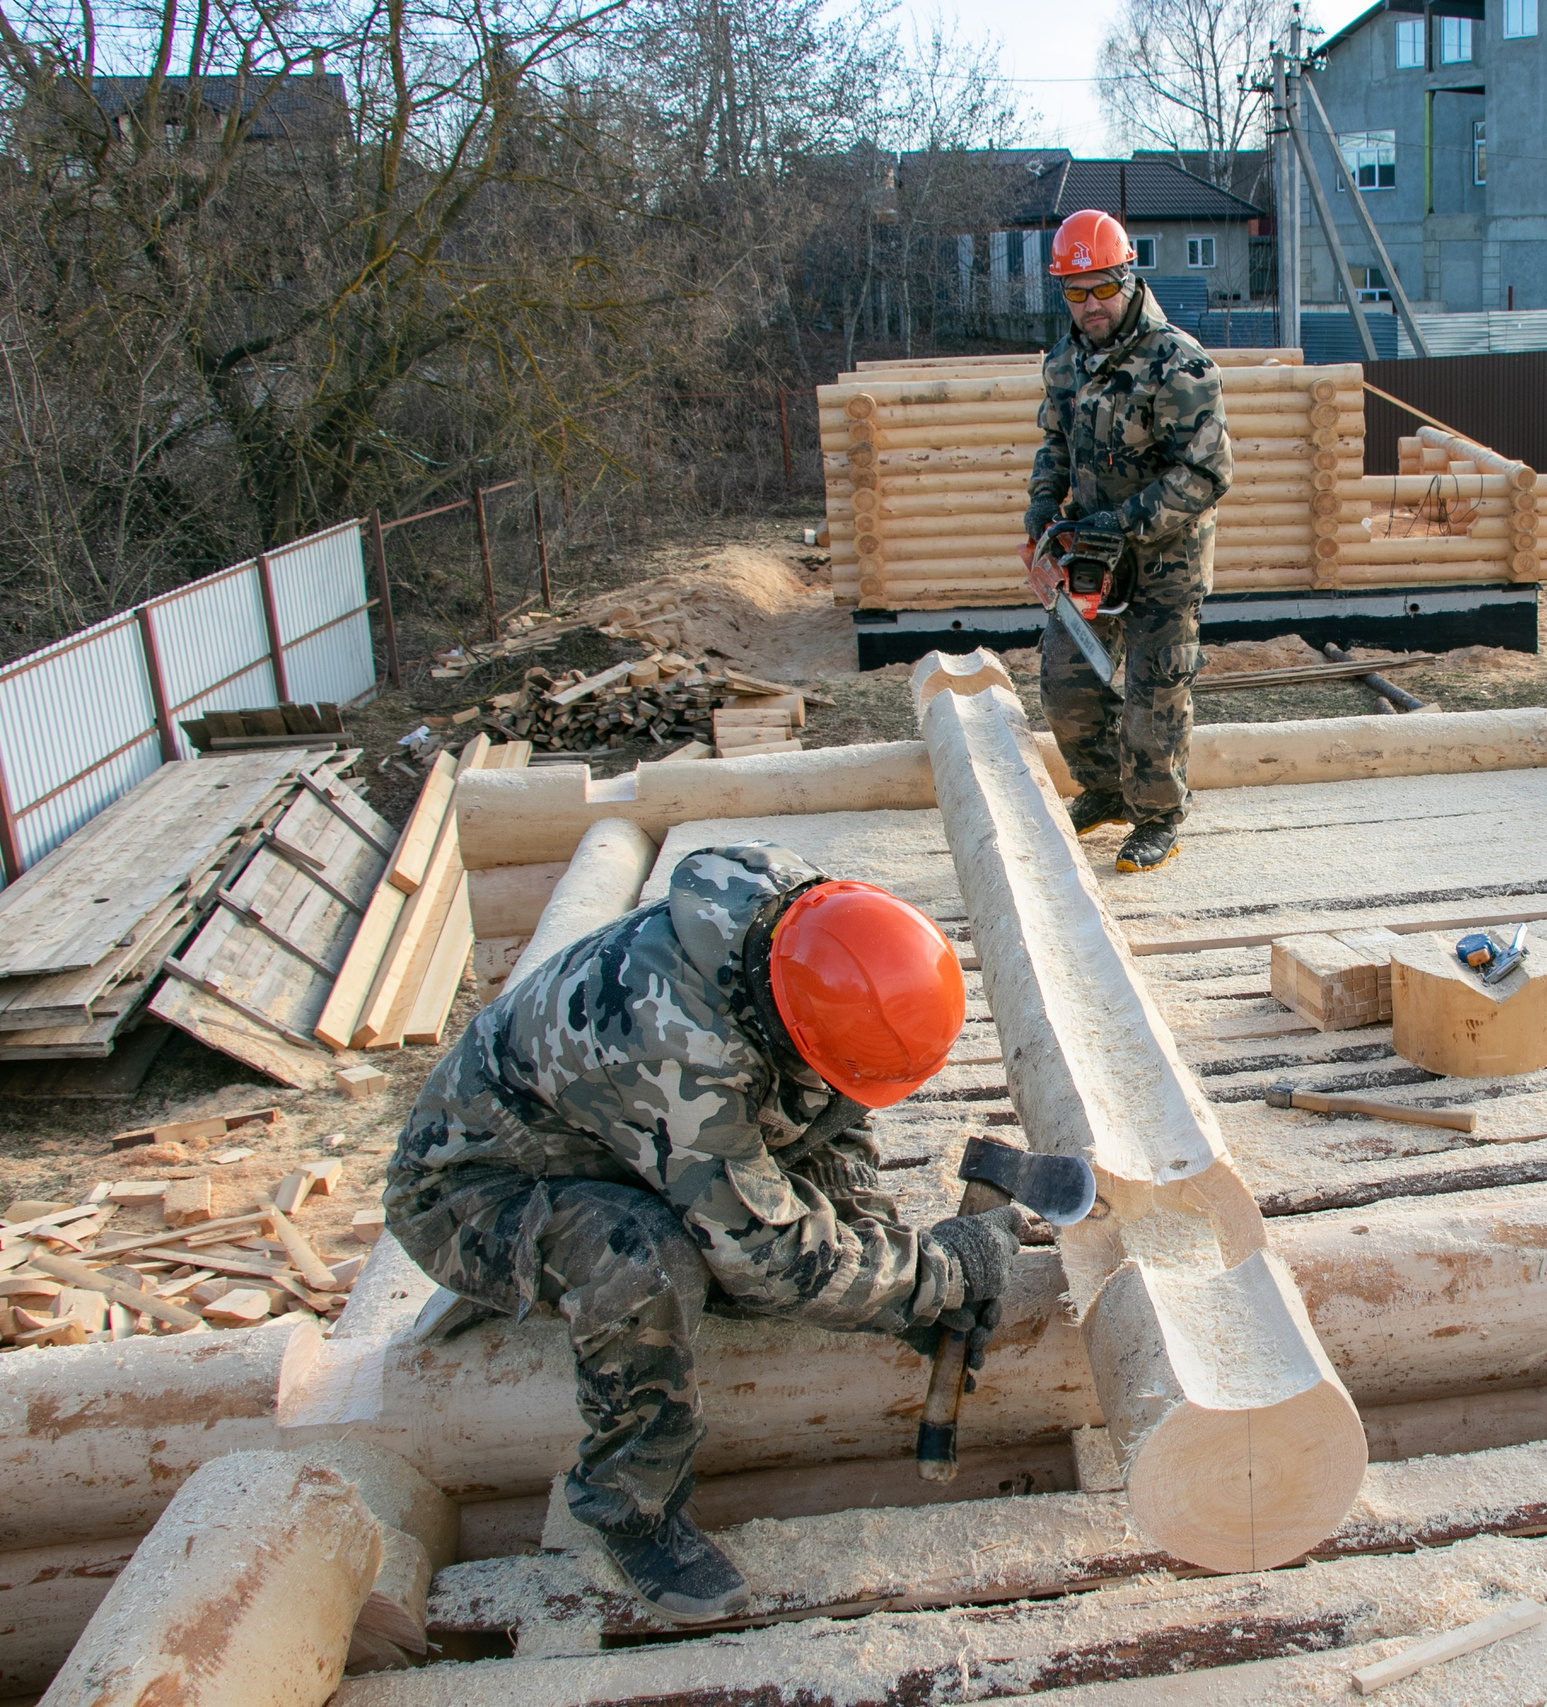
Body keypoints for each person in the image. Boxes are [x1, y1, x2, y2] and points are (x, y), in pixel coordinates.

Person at [384, 845, 1028, 1623]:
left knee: (755, 1202)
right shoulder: (681, 1050)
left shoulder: (811, 936)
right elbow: (770, 1258)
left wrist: (896, 1288)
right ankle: (629, 1507)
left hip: (614, 1143)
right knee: (646, 1258)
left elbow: (829, 1116)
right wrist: (940, 1275)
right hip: (472, 1192)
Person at [1021, 209, 1233, 874]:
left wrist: (1123, 523)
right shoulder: (1064, 362)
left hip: (1166, 556)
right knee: (1065, 680)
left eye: (1101, 290)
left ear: (1127, 278)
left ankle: (1159, 813)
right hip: (1092, 552)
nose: (1090, 306)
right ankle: (1106, 789)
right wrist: (1040, 508)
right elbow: (1055, 443)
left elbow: (1205, 473)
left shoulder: (1179, 363)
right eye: (1075, 293)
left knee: (1153, 687)